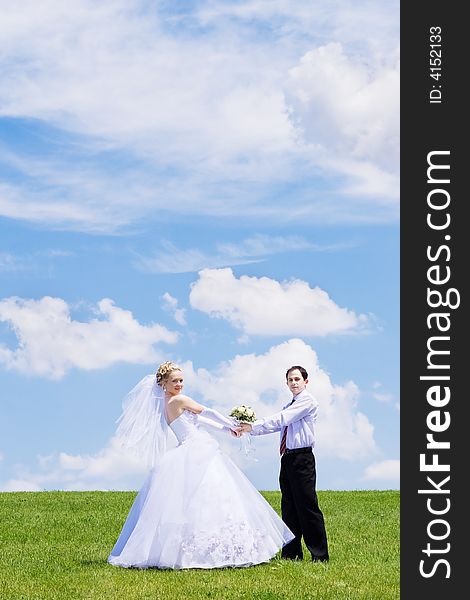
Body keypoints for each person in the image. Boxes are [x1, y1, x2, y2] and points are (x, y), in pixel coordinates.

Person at [107, 361, 294, 569]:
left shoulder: (166, 404)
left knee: (194, 500)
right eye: (174, 381)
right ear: (163, 384)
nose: (179, 384)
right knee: (212, 495)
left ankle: (189, 550)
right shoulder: (179, 400)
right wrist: (232, 423)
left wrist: (226, 430)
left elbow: (198, 422)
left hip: (190, 447)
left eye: (181, 380)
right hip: (197, 449)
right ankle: (213, 550)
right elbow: (207, 413)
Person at [239, 365, 329, 562]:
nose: (294, 383)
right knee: (289, 507)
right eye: (290, 380)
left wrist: (253, 425)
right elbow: (278, 425)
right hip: (287, 458)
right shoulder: (288, 406)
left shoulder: (306, 402)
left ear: (306, 381)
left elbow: (281, 420)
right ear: (287, 383)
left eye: (297, 379)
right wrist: (249, 430)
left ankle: (320, 555)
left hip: (302, 458)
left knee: (307, 506)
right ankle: (291, 553)